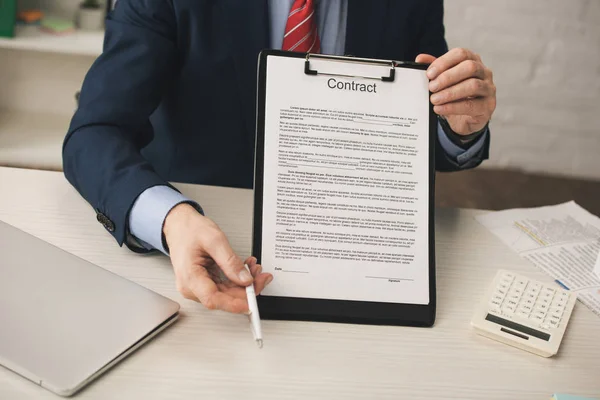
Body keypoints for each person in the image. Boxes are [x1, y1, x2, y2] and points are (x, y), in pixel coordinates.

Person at [63, 0, 496, 315]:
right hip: (205, 236)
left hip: (353, 232)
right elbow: (95, 132)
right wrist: (171, 220)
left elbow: (430, 128)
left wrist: (463, 125)